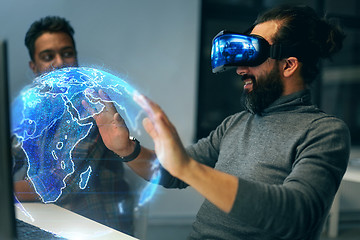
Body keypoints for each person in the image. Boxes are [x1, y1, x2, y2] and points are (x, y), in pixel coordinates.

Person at [84, 5, 352, 240]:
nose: (240, 68)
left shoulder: (324, 132)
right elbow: (171, 170)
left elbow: (296, 216)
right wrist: (125, 148)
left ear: (289, 65)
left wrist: (189, 168)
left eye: (253, 54)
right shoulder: (235, 124)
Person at [12, 16, 134, 235]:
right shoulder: (37, 105)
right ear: (34, 67)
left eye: (67, 53)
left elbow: (58, 184)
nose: (60, 62)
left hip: (97, 227)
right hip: (49, 220)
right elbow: (13, 153)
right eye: (48, 56)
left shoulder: (92, 103)